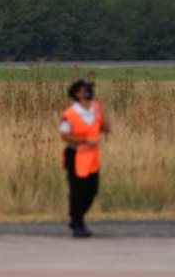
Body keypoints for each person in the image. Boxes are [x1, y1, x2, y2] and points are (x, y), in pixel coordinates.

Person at [60, 79, 110, 238]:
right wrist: (83, 141)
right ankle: (77, 221)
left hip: (92, 156)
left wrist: (105, 113)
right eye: (83, 90)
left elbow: (106, 129)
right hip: (76, 155)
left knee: (92, 190)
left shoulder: (95, 110)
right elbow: (64, 135)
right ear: (76, 94)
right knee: (77, 190)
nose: (87, 92)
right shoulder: (70, 114)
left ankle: (77, 217)